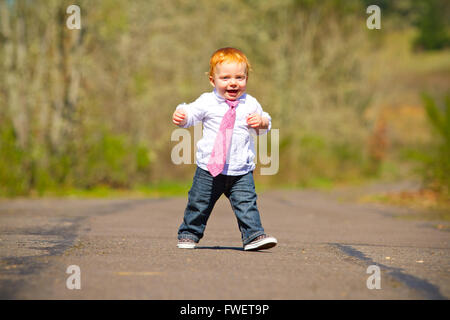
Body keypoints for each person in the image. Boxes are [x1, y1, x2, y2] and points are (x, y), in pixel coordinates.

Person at [172, 47, 277, 251]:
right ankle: (189, 233)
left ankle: (253, 236)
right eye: (226, 77)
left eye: (240, 77)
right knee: (199, 203)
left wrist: (262, 122)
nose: (233, 83)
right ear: (213, 80)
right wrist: (182, 115)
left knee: (247, 204)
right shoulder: (207, 101)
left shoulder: (250, 103)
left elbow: (265, 123)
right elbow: (191, 113)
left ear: (246, 78)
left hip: (240, 169)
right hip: (209, 169)